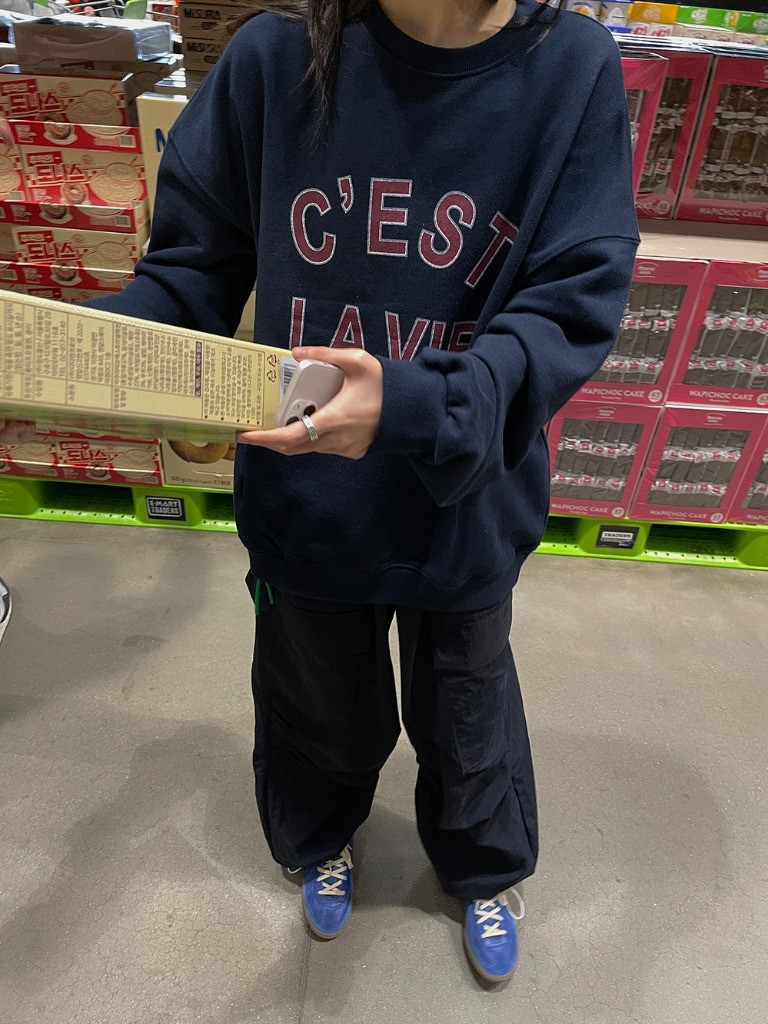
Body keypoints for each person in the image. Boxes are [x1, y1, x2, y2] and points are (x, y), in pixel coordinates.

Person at [85, 0, 639, 983]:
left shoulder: (571, 66)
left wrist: (421, 404)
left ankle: (482, 868)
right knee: (316, 705)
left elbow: (569, 304)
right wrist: (83, 353)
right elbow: (190, 271)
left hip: (464, 501)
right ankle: (321, 835)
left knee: (468, 712)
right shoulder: (274, 59)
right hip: (306, 502)